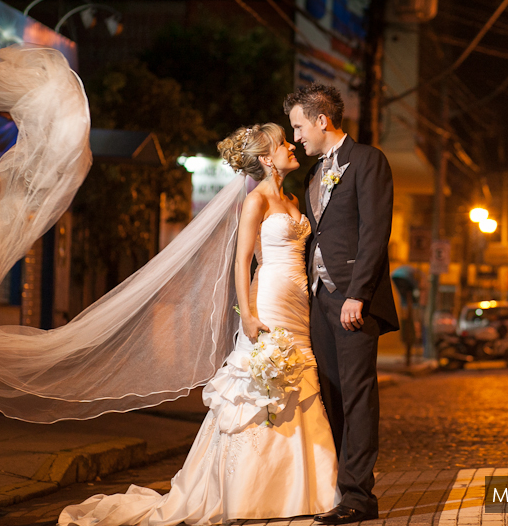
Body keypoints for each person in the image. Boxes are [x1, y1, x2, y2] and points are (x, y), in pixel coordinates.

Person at [58, 123, 340, 525]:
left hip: (299, 302)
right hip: (270, 298)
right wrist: (249, 317)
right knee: (261, 386)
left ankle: (302, 486)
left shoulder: (295, 197)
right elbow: (243, 261)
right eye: (283, 144)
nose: (292, 146)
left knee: (299, 381)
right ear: (265, 159)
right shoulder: (256, 200)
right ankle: (249, 491)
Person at [284, 84, 399, 525]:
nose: (297, 138)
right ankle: (337, 487)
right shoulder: (314, 175)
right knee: (329, 395)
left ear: (320, 120)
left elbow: (374, 232)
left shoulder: (369, 161)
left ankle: (357, 495)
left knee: (357, 395)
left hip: (352, 300)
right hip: (319, 301)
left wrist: (358, 294)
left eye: (298, 126)